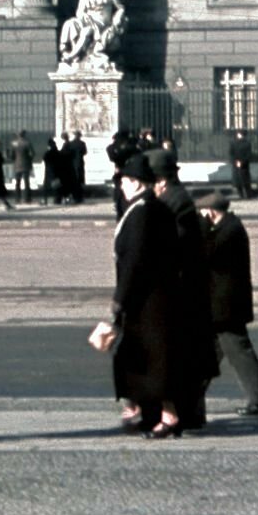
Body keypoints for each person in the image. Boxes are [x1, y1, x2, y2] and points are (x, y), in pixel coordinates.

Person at [96, 153, 185, 437]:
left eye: (123, 182)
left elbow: (135, 259)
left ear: (135, 183)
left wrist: (119, 299)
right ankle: (144, 410)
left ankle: (168, 416)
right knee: (138, 357)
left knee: (155, 360)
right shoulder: (145, 208)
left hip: (148, 300)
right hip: (149, 297)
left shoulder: (144, 212)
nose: (120, 186)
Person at [152, 151, 216, 430]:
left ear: (159, 181)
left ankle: (186, 415)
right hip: (188, 287)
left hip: (183, 289)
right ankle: (191, 414)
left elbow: (171, 246)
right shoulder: (175, 197)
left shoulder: (173, 202)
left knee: (184, 356)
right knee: (188, 356)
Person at [200, 191, 258, 417]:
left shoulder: (229, 230)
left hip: (226, 306)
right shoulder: (228, 226)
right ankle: (190, 396)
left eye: (202, 213)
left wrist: (202, 228)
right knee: (209, 354)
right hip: (223, 305)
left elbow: (208, 254)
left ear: (211, 211)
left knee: (239, 354)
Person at [58, 0, 127, 66]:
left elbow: (121, 8)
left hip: (101, 22)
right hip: (87, 20)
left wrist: (118, 17)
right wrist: (83, 15)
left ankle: (72, 55)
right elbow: (79, 12)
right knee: (69, 23)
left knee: (86, 31)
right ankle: (64, 49)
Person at [10, 130, 34, 205]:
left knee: (18, 182)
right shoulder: (27, 143)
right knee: (27, 182)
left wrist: (14, 159)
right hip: (26, 164)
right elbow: (32, 154)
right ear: (24, 135)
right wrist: (29, 159)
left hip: (17, 165)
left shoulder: (14, 144)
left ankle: (17, 198)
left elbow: (12, 155)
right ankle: (27, 199)